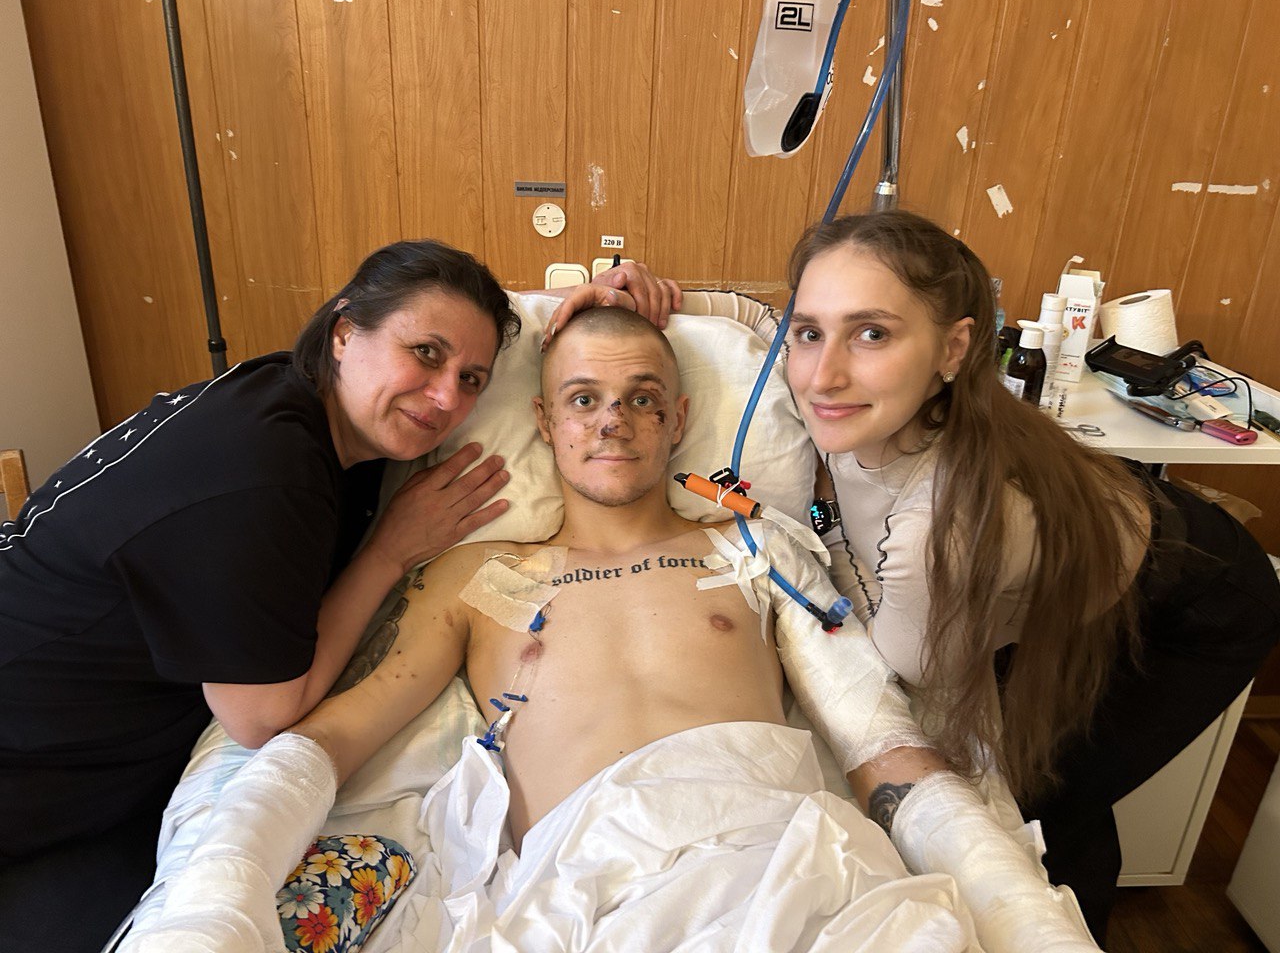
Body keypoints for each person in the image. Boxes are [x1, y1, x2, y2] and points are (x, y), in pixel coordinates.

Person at [125, 308, 1102, 953]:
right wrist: (214, 903)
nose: (612, 420)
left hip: (792, 865)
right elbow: (329, 741)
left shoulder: (754, 549)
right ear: (544, 421)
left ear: (678, 419)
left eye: (641, 399)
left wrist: (1013, 902)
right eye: (583, 399)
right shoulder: (476, 578)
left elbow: (875, 737)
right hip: (587, 891)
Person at [0, 239, 676, 952]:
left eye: (473, 377)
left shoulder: (307, 407)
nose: (447, 398)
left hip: (107, 750)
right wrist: (391, 550)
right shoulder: (265, 469)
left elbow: (443, 316)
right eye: (425, 354)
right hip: (35, 756)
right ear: (345, 332)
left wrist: (585, 299)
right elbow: (260, 718)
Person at [708, 209, 1275, 942]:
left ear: (954, 347)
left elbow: (902, 668)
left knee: (1048, 795)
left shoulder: (940, 530)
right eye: (811, 332)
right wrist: (644, 292)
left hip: (1199, 599)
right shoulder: (859, 399)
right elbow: (757, 318)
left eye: (872, 333)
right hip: (1090, 528)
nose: (822, 374)